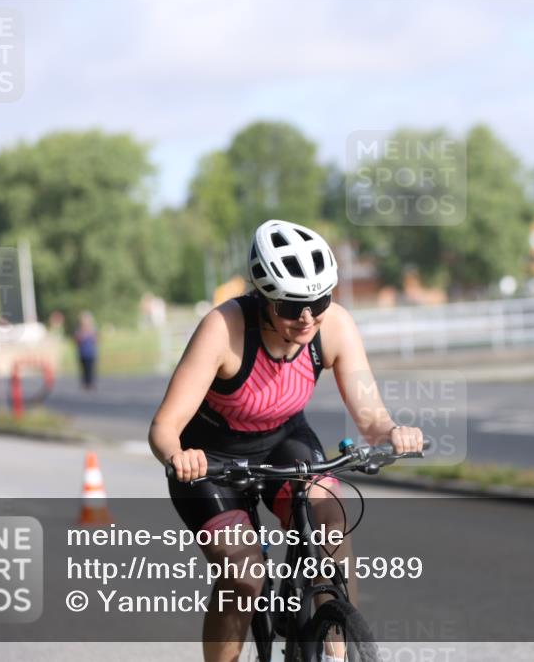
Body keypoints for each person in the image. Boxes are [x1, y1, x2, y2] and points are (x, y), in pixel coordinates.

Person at [148, 219, 423, 662]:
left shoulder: (334, 327)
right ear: (263, 297)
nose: (308, 317)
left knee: (331, 520)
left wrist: (393, 433)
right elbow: (164, 427)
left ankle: (337, 652)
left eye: (319, 301)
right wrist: (179, 456)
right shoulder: (223, 329)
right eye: (293, 307)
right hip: (210, 459)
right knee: (244, 576)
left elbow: (372, 418)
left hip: (284, 440)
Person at [74, 311, 98, 390]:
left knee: (90, 368)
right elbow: (77, 340)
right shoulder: (79, 330)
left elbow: (96, 340)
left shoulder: (92, 329)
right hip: (82, 353)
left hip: (90, 352)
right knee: (83, 369)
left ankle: (90, 383)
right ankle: (85, 383)